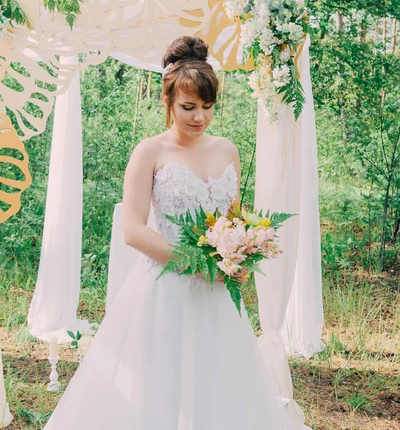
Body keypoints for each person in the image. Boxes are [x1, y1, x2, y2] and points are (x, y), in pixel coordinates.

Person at [42, 35, 306, 430]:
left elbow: (232, 220)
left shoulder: (227, 150)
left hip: (216, 293)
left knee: (217, 385)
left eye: (207, 107)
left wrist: (241, 253)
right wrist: (193, 262)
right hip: (163, 289)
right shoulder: (149, 152)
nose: (199, 117)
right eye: (188, 107)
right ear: (167, 102)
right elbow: (133, 229)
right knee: (156, 385)